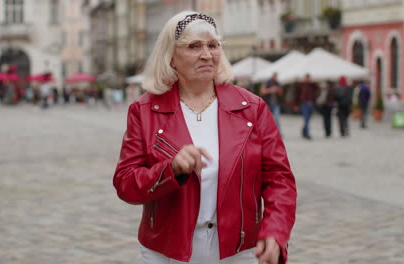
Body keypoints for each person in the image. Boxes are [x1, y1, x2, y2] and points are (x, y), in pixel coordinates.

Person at [113, 11, 296, 264]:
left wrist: (275, 230)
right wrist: (171, 169)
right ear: (171, 57)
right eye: (194, 46)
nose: (207, 55)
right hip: (167, 252)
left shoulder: (252, 108)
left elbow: (279, 179)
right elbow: (126, 184)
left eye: (213, 45)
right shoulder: (144, 111)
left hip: (240, 251)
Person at [295, 74, 318, 140]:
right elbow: (297, 95)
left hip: (311, 104)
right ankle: (307, 134)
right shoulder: (301, 85)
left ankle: (304, 131)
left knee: (308, 119)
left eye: (308, 78)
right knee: (306, 118)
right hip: (304, 104)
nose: (307, 79)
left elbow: (317, 89)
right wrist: (296, 105)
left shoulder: (312, 85)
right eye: (306, 78)